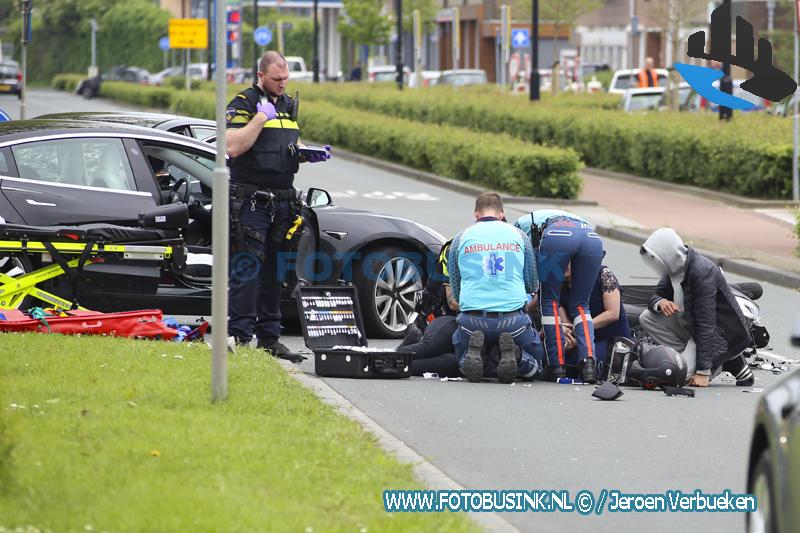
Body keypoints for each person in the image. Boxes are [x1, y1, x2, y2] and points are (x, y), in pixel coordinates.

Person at [225, 51, 330, 362]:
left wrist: (304, 153)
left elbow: (282, 147)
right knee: (247, 269)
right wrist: (260, 118)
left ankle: (270, 339)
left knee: (276, 273)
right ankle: (241, 336)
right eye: (276, 79)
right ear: (261, 76)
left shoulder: (287, 104)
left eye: (286, 79)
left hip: (282, 203)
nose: (283, 84)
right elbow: (232, 146)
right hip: (251, 203)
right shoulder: (243, 103)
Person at [638, 228, 754, 387]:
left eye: (654, 257)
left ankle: (720, 360)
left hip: (718, 334)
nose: (653, 262)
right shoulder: (672, 268)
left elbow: (706, 324)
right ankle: (698, 358)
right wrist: (660, 303)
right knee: (647, 317)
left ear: (667, 254)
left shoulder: (702, 271)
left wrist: (703, 372)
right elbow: (654, 296)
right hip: (691, 327)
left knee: (678, 377)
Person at [449, 193, 543, 383]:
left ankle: (473, 354)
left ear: (476, 214)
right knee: (537, 365)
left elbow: (456, 289)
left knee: (461, 362)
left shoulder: (460, 239)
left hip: (472, 320)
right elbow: (532, 283)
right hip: (512, 320)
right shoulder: (520, 236)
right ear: (502, 213)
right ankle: (517, 356)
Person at [514, 210, 604, 383]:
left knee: (549, 302)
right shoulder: (565, 216)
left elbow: (523, 260)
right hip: (591, 237)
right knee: (581, 305)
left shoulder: (516, 227)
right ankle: (588, 365)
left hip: (558, 236)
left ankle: (556, 365)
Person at [559, 263, 631, 379]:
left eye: (566, 261)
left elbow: (613, 313)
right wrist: (568, 337)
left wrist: (581, 328)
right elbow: (568, 324)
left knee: (595, 368)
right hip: (582, 338)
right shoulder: (559, 283)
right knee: (562, 366)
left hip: (608, 337)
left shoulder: (603, 274)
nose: (561, 264)